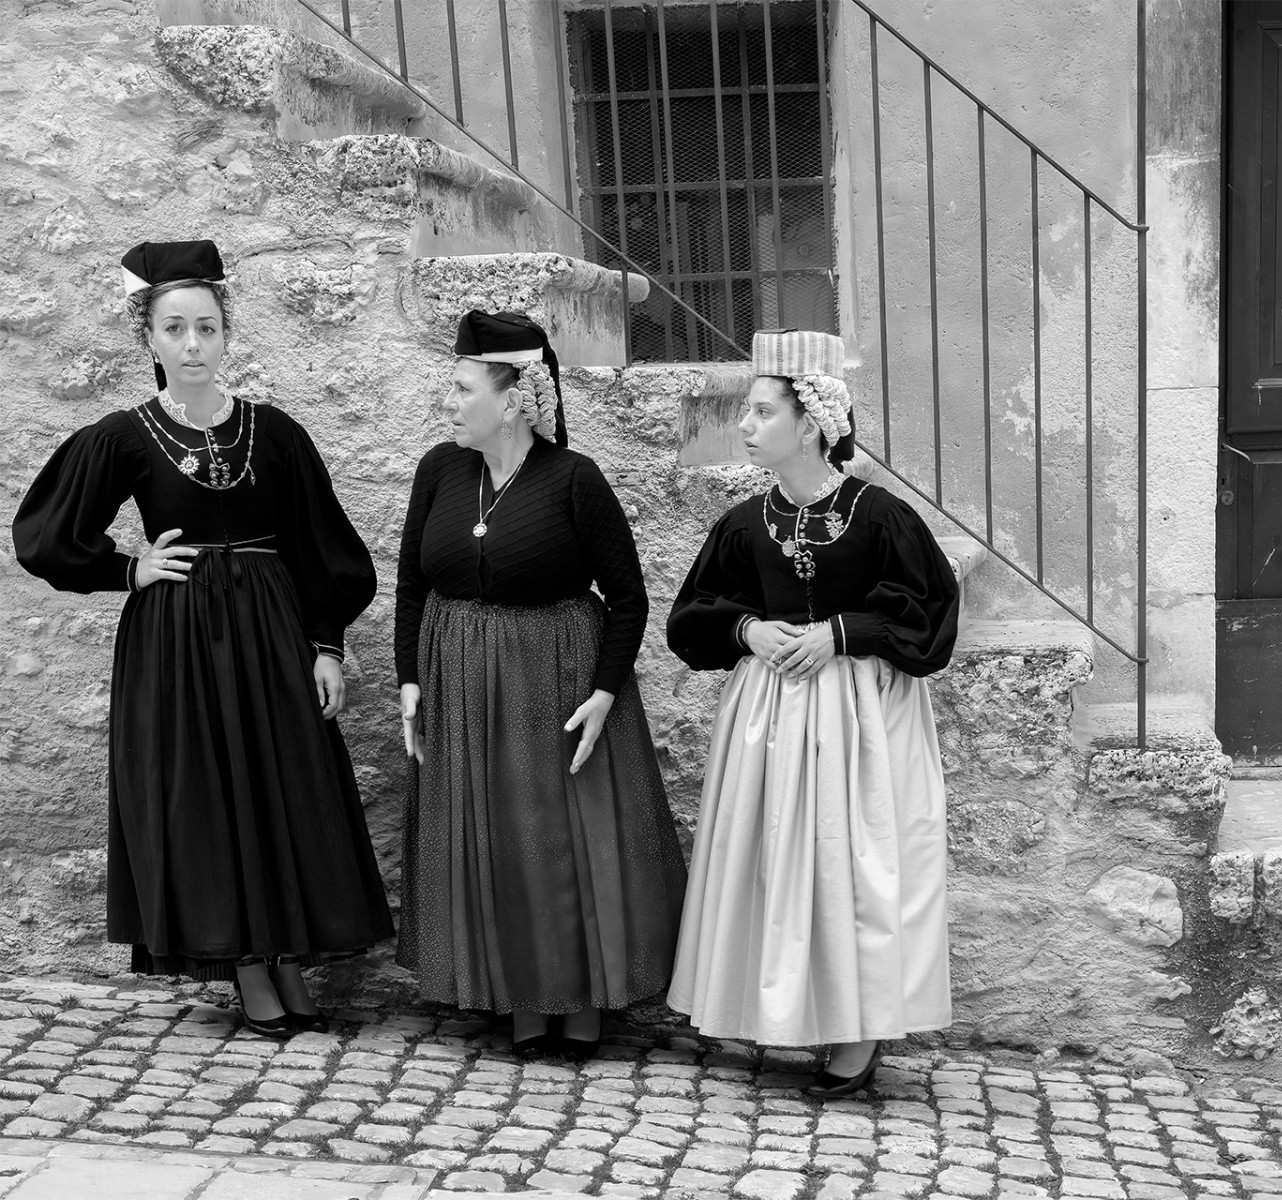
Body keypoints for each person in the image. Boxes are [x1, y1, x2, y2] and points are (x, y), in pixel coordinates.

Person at [12, 239, 392, 1039]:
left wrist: (326, 646)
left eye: (207, 328)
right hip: (177, 641)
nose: (193, 345)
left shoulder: (274, 432)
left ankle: (286, 955)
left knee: (283, 786)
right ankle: (246, 963)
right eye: (175, 328)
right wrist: (129, 569)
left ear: (226, 334)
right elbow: (46, 535)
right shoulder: (123, 436)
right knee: (209, 792)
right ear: (148, 338)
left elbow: (322, 549)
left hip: (271, 633)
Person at [666, 329, 960, 1097]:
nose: (746, 424)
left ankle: (859, 1035)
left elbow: (929, 616)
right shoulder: (744, 522)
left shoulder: (879, 516)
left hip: (861, 718)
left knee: (854, 869)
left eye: (763, 411)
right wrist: (748, 630)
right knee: (775, 865)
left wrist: (841, 633)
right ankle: (783, 1012)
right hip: (768, 715)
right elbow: (690, 618)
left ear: (811, 423)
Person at [395, 310, 686, 1059]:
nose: (449, 402)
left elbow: (628, 598)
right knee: (491, 840)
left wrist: (604, 693)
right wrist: (409, 679)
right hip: (460, 682)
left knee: (560, 843)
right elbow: (412, 585)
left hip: (556, 682)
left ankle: (583, 1002)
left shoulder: (573, 479)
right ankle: (519, 1000)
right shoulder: (440, 471)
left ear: (515, 400)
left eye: (464, 389)